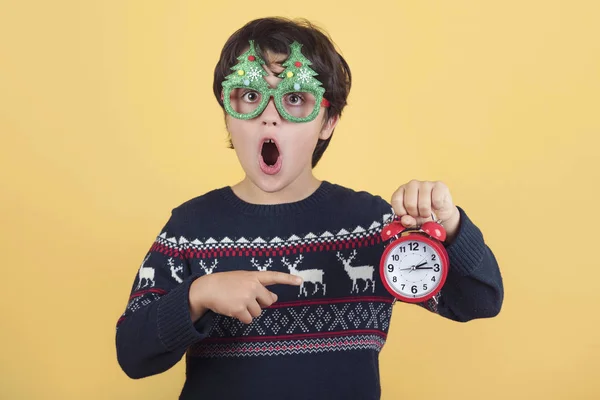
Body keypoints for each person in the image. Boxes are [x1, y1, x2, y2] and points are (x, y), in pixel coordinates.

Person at [115, 17, 504, 400]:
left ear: (328, 121)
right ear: (227, 111)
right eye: (250, 95)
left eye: (295, 98)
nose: (270, 115)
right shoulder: (190, 227)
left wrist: (450, 228)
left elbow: (479, 300)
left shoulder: (374, 228)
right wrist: (197, 295)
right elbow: (133, 355)